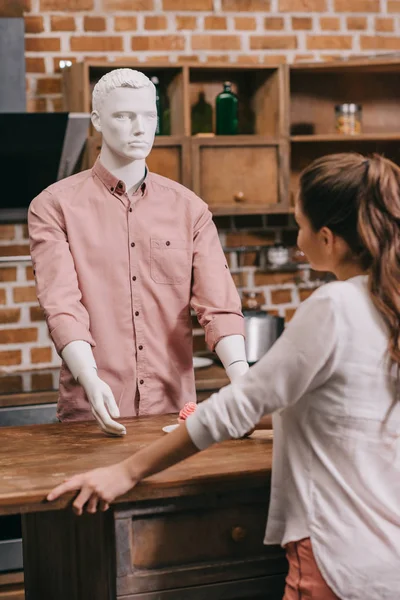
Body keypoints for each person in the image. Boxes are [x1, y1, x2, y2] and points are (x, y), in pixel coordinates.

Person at [48, 152, 400, 600]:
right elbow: (343, 406)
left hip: (337, 554)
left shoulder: (334, 307)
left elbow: (237, 407)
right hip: (389, 551)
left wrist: (124, 473)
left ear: (328, 239)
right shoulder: (388, 302)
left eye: (301, 224)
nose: (297, 238)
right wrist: (257, 419)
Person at [28, 69, 249, 436]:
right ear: (97, 120)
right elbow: (62, 306)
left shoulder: (189, 208)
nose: (139, 128)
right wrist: (89, 377)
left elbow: (219, 305)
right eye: (123, 116)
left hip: (174, 417)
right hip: (93, 415)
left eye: (148, 116)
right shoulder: (54, 207)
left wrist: (242, 377)